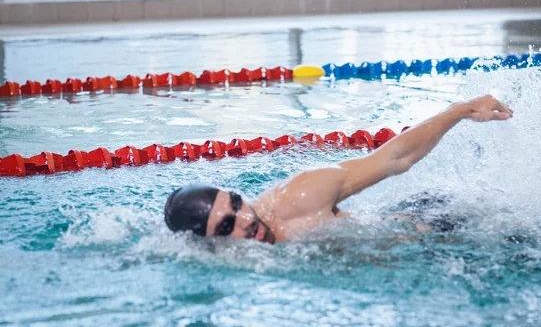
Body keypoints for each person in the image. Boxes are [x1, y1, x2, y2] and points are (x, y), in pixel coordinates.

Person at [164, 95, 513, 244]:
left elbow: (394, 158)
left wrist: (459, 111)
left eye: (237, 203)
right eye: (227, 225)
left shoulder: (301, 196)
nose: (245, 218)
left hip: (436, 226)